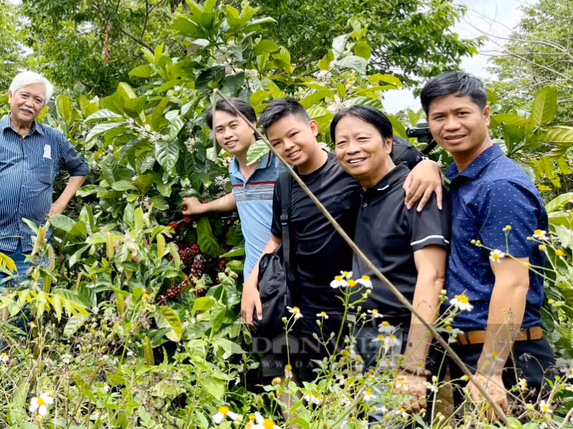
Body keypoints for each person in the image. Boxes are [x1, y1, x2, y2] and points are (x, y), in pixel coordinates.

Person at [245, 98, 443, 383]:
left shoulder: (351, 167)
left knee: (365, 394)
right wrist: (250, 283)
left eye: (293, 134)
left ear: (313, 128)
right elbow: (276, 239)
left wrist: (430, 166)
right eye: (276, 143)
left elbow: (399, 163)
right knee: (314, 392)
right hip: (307, 311)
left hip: (360, 311)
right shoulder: (285, 185)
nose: (287, 146)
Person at [421, 71, 554, 416]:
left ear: (485, 114)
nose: (451, 125)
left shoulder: (499, 185)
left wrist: (490, 372)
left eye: (461, 113)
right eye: (439, 116)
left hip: (507, 360)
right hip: (474, 353)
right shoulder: (463, 179)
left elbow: (513, 282)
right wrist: (428, 164)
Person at [331, 105, 448, 413]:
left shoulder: (415, 191)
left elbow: (433, 276)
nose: (351, 149)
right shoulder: (362, 192)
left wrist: (413, 366)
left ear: (387, 143)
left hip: (400, 337)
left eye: (362, 139)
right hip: (363, 335)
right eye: (342, 142)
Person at [0, 71, 89, 282]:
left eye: (38, 99)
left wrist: (60, 204)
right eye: (24, 95)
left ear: (43, 106)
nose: (30, 103)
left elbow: (80, 169)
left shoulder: (53, 138)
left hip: (35, 248)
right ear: (11, 96)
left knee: (31, 303)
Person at [182, 98, 285, 282]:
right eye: (220, 129)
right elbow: (241, 196)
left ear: (253, 124)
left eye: (234, 125)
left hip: (291, 271)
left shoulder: (282, 163)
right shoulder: (234, 168)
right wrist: (201, 207)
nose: (227, 134)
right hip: (255, 273)